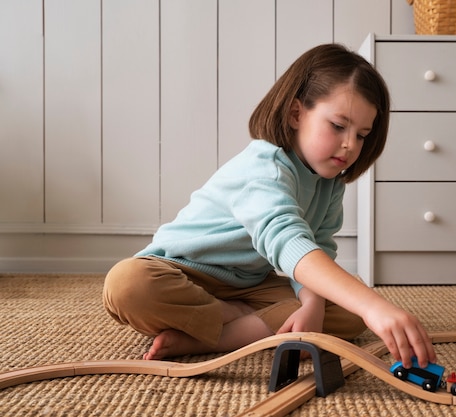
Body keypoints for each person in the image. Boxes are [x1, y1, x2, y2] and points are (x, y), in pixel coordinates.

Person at [103, 43, 436, 369]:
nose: (350, 145)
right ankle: (238, 320)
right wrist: (374, 306)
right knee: (128, 285)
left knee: (348, 314)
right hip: (182, 271)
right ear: (295, 114)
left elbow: (317, 245)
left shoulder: (330, 181)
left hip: (248, 285)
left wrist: (313, 303)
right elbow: (286, 240)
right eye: (338, 126)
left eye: (362, 134)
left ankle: (210, 336)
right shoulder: (264, 167)